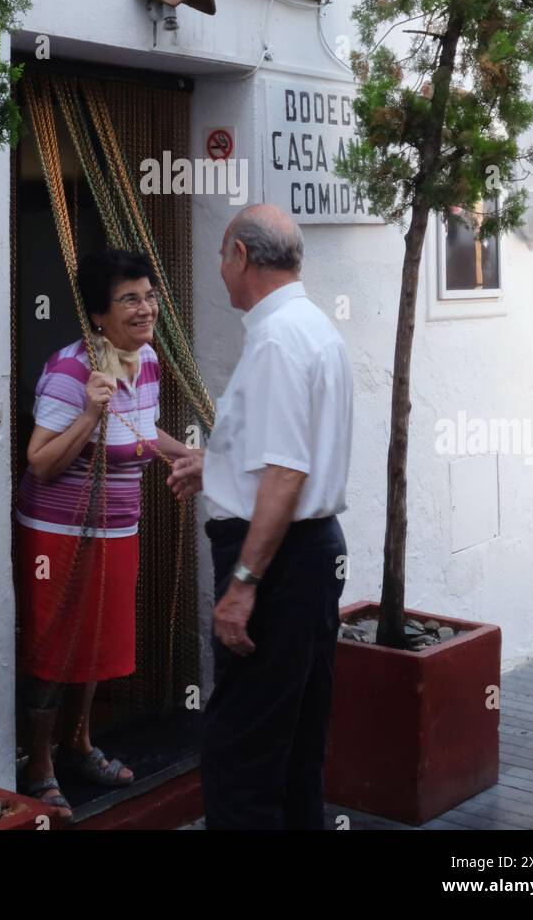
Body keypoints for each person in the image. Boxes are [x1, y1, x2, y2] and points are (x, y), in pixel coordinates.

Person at [168, 204, 353, 830]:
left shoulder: (276, 340)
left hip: (274, 562)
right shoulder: (312, 327)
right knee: (294, 745)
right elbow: (278, 459)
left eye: (222, 256)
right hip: (307, 556)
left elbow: (286, 473)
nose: (219, 271)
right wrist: (215, 465)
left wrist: (243, 586)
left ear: (242, 256)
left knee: (240, 755)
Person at [17, 248, 198, 823]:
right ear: (99, 315)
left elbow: (141, 434)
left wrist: (191, 455)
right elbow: (40, 462)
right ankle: (39, 765)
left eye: (149, 297)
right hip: (59, 534)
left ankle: (79, 744)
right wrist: (89, 415)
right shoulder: (72, 373)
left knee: (95, 645)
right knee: (53, 649)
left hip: (119, 529)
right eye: (130, 300)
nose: (146, 309)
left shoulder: (145, 362)